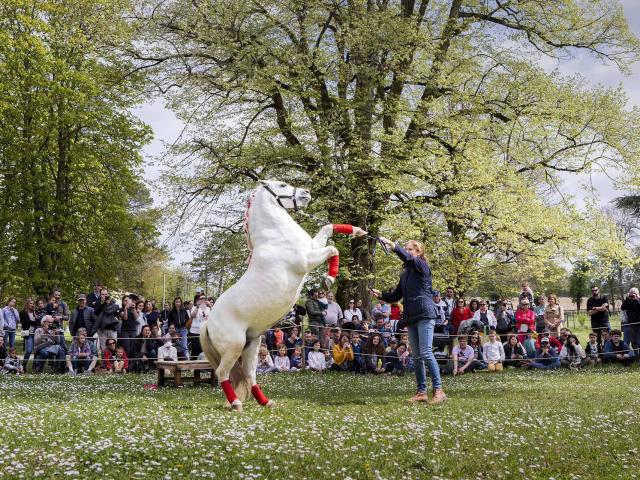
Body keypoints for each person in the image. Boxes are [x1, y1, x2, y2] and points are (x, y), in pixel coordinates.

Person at [371, 237, 447, 405]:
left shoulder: (422, 265)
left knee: (426, 352)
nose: (407, 251)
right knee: (417, 356)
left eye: (410, 249)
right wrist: (381, 294)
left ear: (418, 252)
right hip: (411, 317)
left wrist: (395, 247)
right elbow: (396, 295)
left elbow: (409, 258)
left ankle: (439, 391)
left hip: (425, 314)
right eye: (406, 249)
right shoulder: (405, 274)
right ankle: (421, 392)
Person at [19, 298, 38, 370]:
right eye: (30, 303)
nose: (32, 305)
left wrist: (34, 321)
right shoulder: (23, 312)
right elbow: (26, 322)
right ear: (27, 304)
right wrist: (34, 322)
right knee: (29, 350)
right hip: (28, 333)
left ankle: (35, 367)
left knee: (37, 350)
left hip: (36, 333)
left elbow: (38, 321)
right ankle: (24, 365)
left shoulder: (35, 312)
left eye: (33, 303)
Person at [620, 287, 640, 357]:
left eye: (634, 294)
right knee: (633, 342)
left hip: (639, 325)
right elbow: (622, 308)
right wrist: (627, 298)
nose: (632, 296)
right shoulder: (628, 301)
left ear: (637, 294)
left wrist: (638, 299)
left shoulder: (639, 300)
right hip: (631, 325)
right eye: (631, 294)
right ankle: (636, 356)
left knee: (639, 341)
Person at [189, 294, 210, 359]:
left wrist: (210, 306)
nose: (202, 300)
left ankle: (200, 366)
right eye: (201, 299)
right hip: (194, 332)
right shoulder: (194, 307)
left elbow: (212, 317)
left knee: (203, 349)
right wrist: (198, 307)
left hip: (204, 332)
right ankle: (193, 367)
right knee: (195, 350)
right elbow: (193, 315)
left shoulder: (208, 308)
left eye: (204, 298)